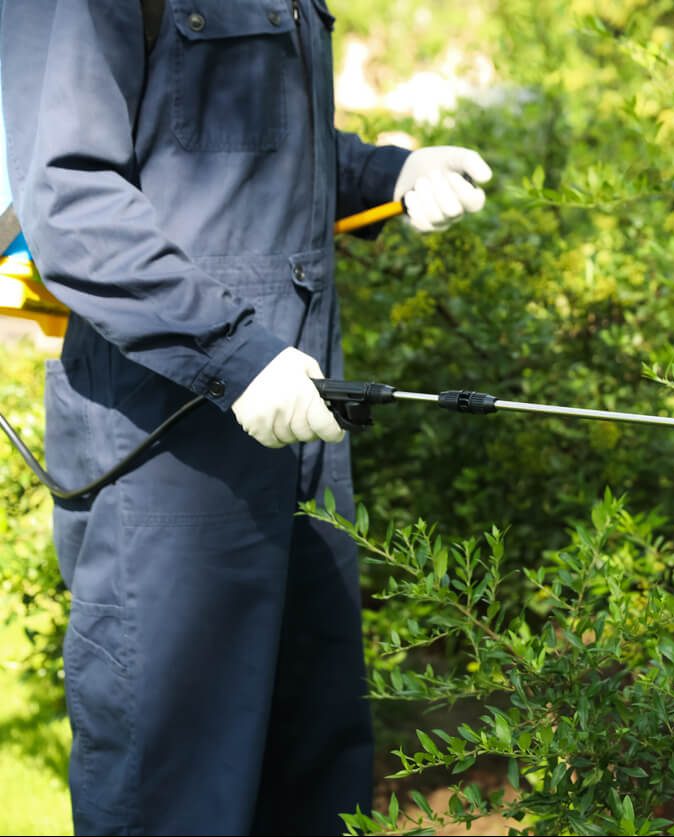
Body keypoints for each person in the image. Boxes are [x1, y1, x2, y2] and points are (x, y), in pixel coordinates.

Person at [0, 2, 491, 834]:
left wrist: (387, 174)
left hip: (298, 430)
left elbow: (248, 161)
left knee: (312, 780)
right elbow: (68, 196)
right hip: (167, 453)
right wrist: (232, 351)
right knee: (175, 797)